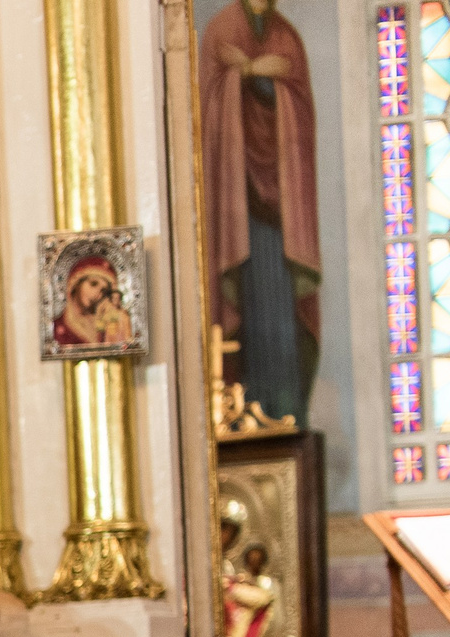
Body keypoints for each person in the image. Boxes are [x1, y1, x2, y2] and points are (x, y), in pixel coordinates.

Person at [200, 0, 320, 428]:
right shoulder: (220, 32)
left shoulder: (286, 38)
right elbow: (212, 110)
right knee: (247, 311)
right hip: (239, 201)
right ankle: (244, 410)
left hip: (279, 211)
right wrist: (242, 76)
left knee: (283, 320)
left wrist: (267, 78)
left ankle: (287, 411)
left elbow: (299, 112)